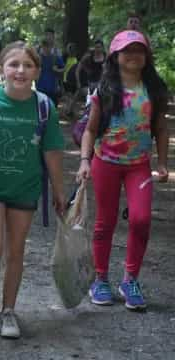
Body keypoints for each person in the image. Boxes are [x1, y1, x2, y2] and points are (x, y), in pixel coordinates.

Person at [0, 41, 65, 338]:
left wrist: (59, 190)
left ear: (37, 71)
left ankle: (8, 310)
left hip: (26, 189)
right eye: (14, 64)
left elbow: (53, 152)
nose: (20, 70)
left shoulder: (44, 107)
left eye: (28, 65)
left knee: (17, 250)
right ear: (0, 71)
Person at [76, 30, 169, 311]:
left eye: (139, 50)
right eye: (127, 50)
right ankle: (100, 279)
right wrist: (84, 161)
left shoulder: (154, 90)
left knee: (140, 220)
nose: (133, 55)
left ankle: (130, 279)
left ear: (147, 56)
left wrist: (162, 163)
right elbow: (90, 130)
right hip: (105, 163)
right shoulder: (103, 90)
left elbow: (162, 129)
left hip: (139, 167)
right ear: (115, 56)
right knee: (105, 222)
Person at [36, 38, 65, 105]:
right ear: (42, 46)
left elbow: (64, 69)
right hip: (41, 87)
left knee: (53, 107)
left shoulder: (55, 58)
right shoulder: (38, 58)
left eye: (48, 46)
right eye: (44, 46)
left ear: (51, 47)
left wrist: (57, 70)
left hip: (53, 87)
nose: (46, 48)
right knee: (41, 108)